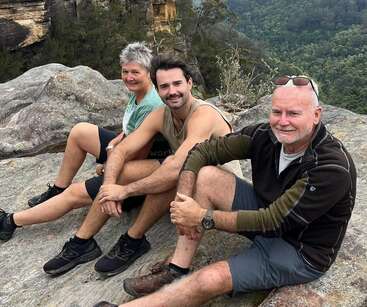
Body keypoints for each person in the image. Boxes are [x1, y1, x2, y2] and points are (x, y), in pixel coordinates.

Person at [97, 75, 357, 307]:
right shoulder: (266, 136)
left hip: (299, 249)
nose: (283, 121)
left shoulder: (331, 168)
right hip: (264, 211)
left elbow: (273, 221)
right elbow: (203, 151)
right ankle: (177, 269)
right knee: (206, 176)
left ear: (316, 115)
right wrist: (183, 200)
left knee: (210, 279)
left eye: (293, 114)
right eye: (277, 112)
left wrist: (200, 217)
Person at [38, 55, 241, 278]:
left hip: (218, 189)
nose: (172, 91)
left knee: (174, 171)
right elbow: (121, 150)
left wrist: (124, 191)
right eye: (164, 86)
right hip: (186, 178)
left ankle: (133, 239)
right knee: (124, 171)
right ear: (157, 88)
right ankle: (82, 242)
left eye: (177, 84)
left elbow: (177, 168)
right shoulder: (161, 115)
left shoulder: (203, 115)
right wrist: (108, 189)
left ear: (190, 83)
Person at [0, 42, 169, 242]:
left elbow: (138, 152)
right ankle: (58, 189)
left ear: (148, 73)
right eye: (125, 71)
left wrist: (109, 166)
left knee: (74, 194)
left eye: (135, 72)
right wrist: (113, 143)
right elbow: (129, 130)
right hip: (127, 151)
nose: (129, 77)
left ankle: (10, 221)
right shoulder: (140, 94)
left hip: (137, 168)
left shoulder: (151, 104)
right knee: (80, 131)